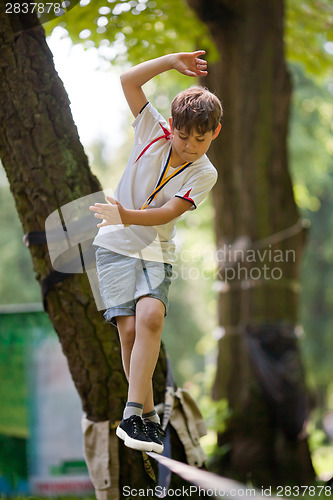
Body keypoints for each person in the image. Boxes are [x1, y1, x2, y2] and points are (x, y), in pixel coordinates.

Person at [89, 51, 222, 454]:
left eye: (201, 139)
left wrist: (124, 214)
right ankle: (144, 416)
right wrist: (171, 62)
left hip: (155, 248)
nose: (190, 146)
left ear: (215, 133)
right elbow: (129, 80)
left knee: (150, 316)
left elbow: (167, 212)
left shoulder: (205, 172)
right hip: (112, 246)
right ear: (173, 126)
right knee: (128, 331)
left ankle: (133, 413)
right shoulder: (151, 129)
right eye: (184, 136)